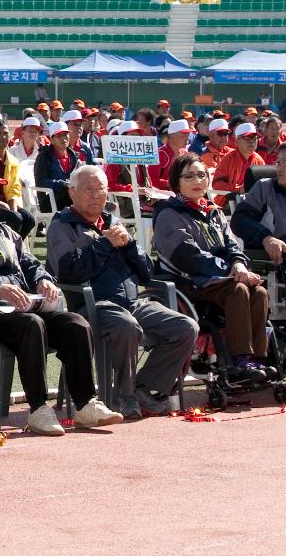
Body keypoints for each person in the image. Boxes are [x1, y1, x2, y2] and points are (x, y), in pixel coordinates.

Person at [0, 164, 122, 434]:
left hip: (22, 307)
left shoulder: (5, 230)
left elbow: (31, 263)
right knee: (31, 324)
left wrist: (43, 279)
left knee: (76, 324)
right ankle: (38, 408)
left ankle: (85, 404)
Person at [47, 166, 198, 419]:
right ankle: (126, 396)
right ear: (72, 193)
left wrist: (129, 245)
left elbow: (147, 272)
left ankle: (141, 386)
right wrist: (105, 243)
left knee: (186, 327)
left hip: (132, 302)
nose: (96, 195)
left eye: (101, 190)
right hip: (93, 305)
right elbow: (70, 272)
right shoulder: (62, 226)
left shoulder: (112, 222)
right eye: (89, 190)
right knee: (126, 325)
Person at [153, 152, 271, 382]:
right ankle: (240, 359)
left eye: (201, 175)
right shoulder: (169, 214)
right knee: (238, 290)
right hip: (188, 283)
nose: (197, 181)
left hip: (219, 280)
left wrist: (238, 264)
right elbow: (189, 257)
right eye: (189, 177)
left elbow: (232, 246)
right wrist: (231, 271)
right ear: (176, 182)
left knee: (259, 292)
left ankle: (258, 359)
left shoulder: (213, 212)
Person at [231, 139, 286, 265]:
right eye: (278, 162)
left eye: (284, 162)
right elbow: (240, 219)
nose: (278, 167)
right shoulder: (266, 188)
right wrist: (266, 238)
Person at [33, 121, 80, 209]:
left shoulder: (74, 157)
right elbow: (41, 182)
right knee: (71, 191)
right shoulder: (44, 157)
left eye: (65, 135)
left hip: (72, 194)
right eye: (58, 136)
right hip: (49, 199)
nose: (63, 139)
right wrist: (63, 184)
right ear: (51, 140)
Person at [211, 123, 265, 198]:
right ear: (237, 141)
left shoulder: (259, 160)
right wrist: (238, 189)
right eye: (247, 137)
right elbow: (216, 184)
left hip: (253, 200)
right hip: (229, 202)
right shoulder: (228, 159)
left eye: (254, 137)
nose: (251, 141)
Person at [152, 118, 192, 191]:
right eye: (183, 135)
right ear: (172, 136)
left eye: (188, 135)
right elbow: (151, 180)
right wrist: (172, 183)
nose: (187, 138)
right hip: (163, 196)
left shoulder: (185, 153)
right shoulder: (160, 154)